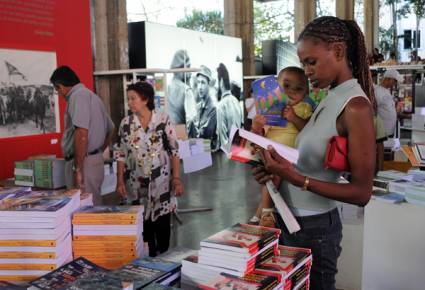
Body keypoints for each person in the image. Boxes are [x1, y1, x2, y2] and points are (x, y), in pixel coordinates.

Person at [253, 16, 376, 290]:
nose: (306, 71)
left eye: (311, 62)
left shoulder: (355, 107)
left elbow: (362, 193)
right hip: (290, 220)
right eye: (303, 63)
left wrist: (297, 179)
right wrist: (275, 170)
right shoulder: (329, 98)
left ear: (339, 52)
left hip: (316, 229)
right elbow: (310, 162)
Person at [114, 81, 184, 257]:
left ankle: (165, 260)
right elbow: (121, 153)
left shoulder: (162, 119)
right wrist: (119, 181)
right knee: (143, 229)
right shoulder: (126, 123)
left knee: (162, 225)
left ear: (145, 100)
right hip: (136, 186)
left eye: (133, 98)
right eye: (128, 99)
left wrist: (176, 179)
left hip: (162, 184)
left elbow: (174, 150)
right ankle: (149, 261)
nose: (129, 102)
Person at [249, 67, 313, 227]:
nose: (291, 92)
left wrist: (294, 117)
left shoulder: (304, 109)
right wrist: (256, 126)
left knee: (274, 177)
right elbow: (256, 139)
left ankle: (262, 213)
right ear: (275, 88)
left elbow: (309, 130)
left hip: (291, 155)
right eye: (286, 86)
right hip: (270, 152)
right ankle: (265, 212)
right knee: (271, 177)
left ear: (305, 93)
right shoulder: (268, 110)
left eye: (298, 89)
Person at [50, 66, 114, 205]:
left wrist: (78, 168)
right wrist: (96, 152)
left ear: (60, 87)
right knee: (92, 207)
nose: (59, 94)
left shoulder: (77, 97)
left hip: (83, 163)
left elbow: (81, 133)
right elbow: (111, 128)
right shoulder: (92, 96)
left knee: (84, 212)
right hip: (92, 160)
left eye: (57, 90)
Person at [187, 65, 218, 149]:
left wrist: (190, 124)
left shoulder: (213, 109)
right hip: (197, 151)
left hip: (209, 154)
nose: (200, 87)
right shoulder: (197, 107)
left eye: (203, 83)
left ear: (209, 85)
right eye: (198, 83)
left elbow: (205, 137)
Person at [216, 63, 243, 148]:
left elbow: (223, 140)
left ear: (220, 82)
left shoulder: (221, 106)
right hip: (239, 149)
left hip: (228, 154)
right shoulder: (236, 101)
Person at [168, 50, 197, 126]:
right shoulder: (186, 90)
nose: (190, 71)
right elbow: (191, 119)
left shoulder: (166, 88)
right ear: (183, 68)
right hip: (182, 134)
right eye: (189, 66)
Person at [374, 69, 402, 137]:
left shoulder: (386, 90)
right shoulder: (377, 91)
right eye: (394, 81)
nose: (395, 83)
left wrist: (396, 109)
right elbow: (373, 110)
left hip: (388, 131)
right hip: (382, 132)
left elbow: (386, 107)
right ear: (388, 79)